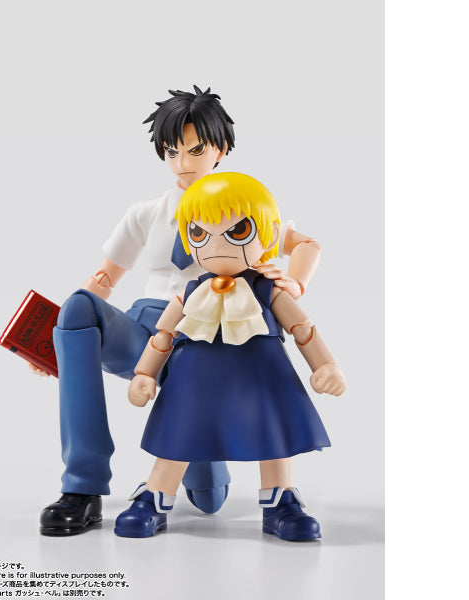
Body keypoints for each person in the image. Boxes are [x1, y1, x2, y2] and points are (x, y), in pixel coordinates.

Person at [32, 87, 323, 536]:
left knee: (209, 498)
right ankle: (82, 487)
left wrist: (294, 282)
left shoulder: (243, 207)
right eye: (173, 152)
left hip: (215, 346)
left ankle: (226, 476)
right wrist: (55, 344)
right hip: (148, 328)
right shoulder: (147, 213)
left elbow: (306, 243)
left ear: (220, 149)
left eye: (195, 150)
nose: (183, 162)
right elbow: (104, 278)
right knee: (76, 308)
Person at [114, 172, 346, 540]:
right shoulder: (191, 291)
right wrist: (145, 374)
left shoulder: (268, 289)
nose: (216, 244)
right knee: (179, 429)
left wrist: (325, 365)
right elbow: (163, 336)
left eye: (237, 231)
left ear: (269, 234)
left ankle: (280, 501)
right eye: (199, 233)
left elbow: (303, 328)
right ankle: (155, 496)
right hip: (195, 379)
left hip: (262, 376)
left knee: (272, 430)